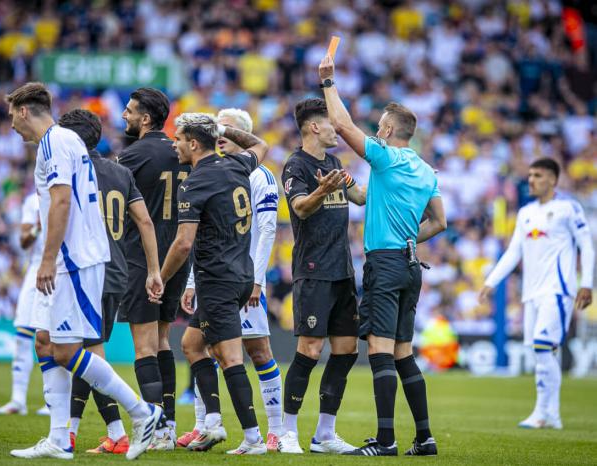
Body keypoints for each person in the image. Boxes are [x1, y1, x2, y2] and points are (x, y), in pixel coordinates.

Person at [5, 82, 160, 460]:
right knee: (44, 341)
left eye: (12, 115)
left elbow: (60, 202)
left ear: (25, 110)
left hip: (73, 261)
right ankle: (59, 439)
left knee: (68, 350)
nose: (11, 125)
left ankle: (143, 413)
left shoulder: (55, 142)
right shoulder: (65, 141)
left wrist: (47, 259)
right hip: (76, 258)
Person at [319, 55, 447, 456]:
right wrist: (410, 238)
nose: (376, 131)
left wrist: (328, 83)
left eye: (379, 128)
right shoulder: (426, 171)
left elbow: (341, 125)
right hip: (411, 265)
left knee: (379, 351)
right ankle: (424, 438)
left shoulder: (386, 158)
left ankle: (387, 441)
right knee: (404, 352)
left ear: (389, 130)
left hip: (386, 264)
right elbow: (439, 222)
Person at [159, 112, 270, 455]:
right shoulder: (236, 165)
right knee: (193, 344)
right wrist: (221, 130)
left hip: (218, 279)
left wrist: (160, 279)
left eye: (178, 139)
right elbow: (261, 144)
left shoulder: (194, 183)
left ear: (193, 144)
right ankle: (213, 423)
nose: (174, 144)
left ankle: (253, 439)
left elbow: (182, 244)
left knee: (230, 357)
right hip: (240, 274)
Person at [58, 109, 162, 454]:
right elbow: (145, 222)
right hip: (118, 272)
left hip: (88, 270)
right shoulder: (120, 172)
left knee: (85, 352)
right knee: (84, 350)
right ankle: (76, 431)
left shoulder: (72, 171)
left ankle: (119, 429)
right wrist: (153, 269)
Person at [278, 98, 366, 455]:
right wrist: (323, 190)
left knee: (346, 350)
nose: (338, 130)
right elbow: (299, 207)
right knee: (310, 350)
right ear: (314, 126)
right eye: (333, 124)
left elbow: (359, 195)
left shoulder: (334, 163)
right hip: (313, 271)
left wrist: (400, 179)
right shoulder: (295, 166)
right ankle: (285, 432)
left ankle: (325, 435)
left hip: (342, 271)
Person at [479, 158, 594, 430]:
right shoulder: (526, 213)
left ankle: (543, 412)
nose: (531, 180)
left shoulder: (568, 208)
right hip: (531, 294)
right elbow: (514, 251)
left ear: (553, 180)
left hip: (558, 289)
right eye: (530, 175)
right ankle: (550, 414)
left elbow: (586, 246)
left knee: (543, 346)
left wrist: (586, 283)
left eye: (538, 175)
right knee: (542, 351)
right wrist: (491, 281)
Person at [117, 88, 191, 450]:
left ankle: (154, 428)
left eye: (129, 111)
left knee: (144, 348)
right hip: (178, 256)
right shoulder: (185, 152)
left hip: (142, 259)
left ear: (146, 118)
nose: (124, 116)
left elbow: (116, 211)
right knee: (163, 342)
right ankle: (169, 427)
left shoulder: (130, 157)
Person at [0, 191, 49, 417]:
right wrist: (37, 227)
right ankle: (17, 400)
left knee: (52, 338)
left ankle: (52, 402)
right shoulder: (32, 201)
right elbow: (23, 242)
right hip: (35, 270)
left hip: (60, 269)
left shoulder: (70, 193)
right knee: (22, 334)